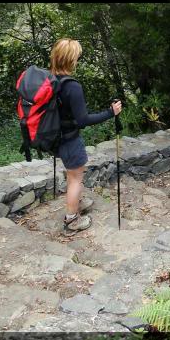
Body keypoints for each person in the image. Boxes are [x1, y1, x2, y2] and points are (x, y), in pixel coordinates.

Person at [49, 38, 122, 233]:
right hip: (70, 139)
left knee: (72, 176)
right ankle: (71, 219)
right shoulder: (72, 86)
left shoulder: (50, 80)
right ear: (71, 60)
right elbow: (82, 120)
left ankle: (76, 204)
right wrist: (110, 112)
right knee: (75, 179)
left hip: (57, 138)